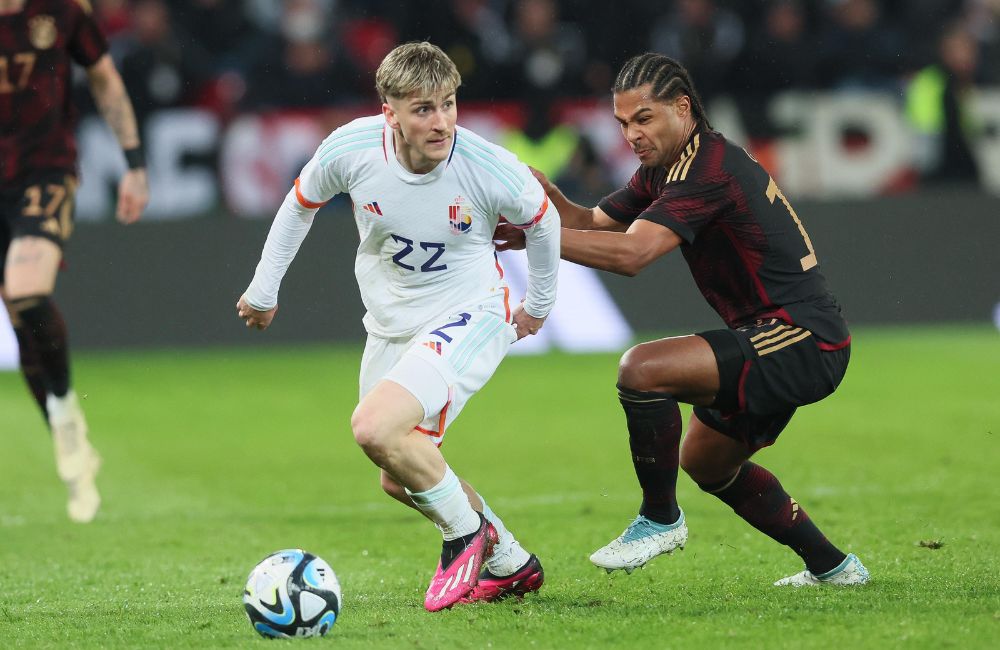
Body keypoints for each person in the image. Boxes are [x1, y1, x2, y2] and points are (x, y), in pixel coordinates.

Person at [496, 53, 869, 587]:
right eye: (623, 122)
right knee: (707, 462)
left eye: (644, 118)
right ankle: (834, 567)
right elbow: (593, 223)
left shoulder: (708, 169)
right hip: (773, 337)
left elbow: (632, 255)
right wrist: (547, 205)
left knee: (643, 369)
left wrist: (542, 238)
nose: (631, 134)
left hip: (804, 338)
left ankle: (659, 519)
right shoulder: (665, 169)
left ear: (683, 107)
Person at [236, 41, 559, 611]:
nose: (441, 123)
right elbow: (299, 205)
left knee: (374, 427)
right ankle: (509, 560)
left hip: (471, 315)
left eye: (449, 104)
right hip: (390, 326)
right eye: (423, 109)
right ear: (390, 112)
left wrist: (538, 303)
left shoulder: (484, 164)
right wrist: (265, 289)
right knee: (399, 473)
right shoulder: (353, 148)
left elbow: (542, 217)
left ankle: (467, 536)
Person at [1, 0, 149, 523]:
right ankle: (61, 417)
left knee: (26, 290)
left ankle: (64, 407)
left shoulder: (61, 10)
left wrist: (133, 162)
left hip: (43, 171)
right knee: (20, 322)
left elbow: (104, 78)